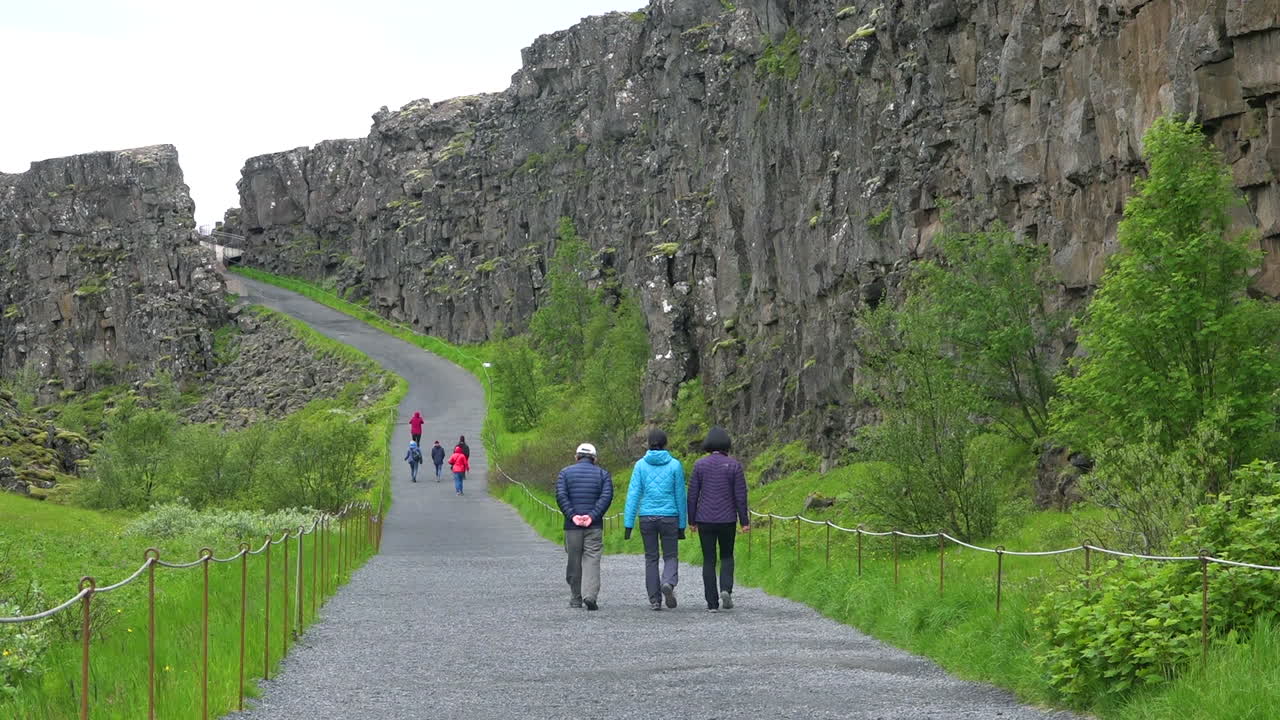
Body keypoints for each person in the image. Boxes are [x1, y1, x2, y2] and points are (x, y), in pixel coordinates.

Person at [623, 428, 687, 611]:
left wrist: (628, 524)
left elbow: (633, 494)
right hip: (669, 517)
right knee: (670, 555)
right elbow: (680, 496)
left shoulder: (640, 466)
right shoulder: (675, 465)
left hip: (647, 517)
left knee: (651, 558)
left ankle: (655, 600)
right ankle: (668, 582)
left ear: (648, 444)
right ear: (665, 443)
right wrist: (682, 525)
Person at [688, 426, 750, 612]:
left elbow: (692, 495)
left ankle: (712, 603)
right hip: (727, 519)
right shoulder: (734, 465)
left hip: (705, 519)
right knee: (726, 556)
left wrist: (692, 520)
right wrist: (744, 521)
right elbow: (740, 496)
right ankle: (726, 589)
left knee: (708, 559)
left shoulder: (699, 465)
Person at [555, 442, 613, 611]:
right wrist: (592, 516)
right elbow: (606, 496)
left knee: (574, 560)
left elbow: (561, 496)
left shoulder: (564, 473)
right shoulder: (603, 474)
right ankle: (590, 595)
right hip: (594, 526)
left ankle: (575, 597)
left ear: (576, 457)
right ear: (594, 458)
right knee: (592, 559)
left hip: (572, 527)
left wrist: (573, 516)